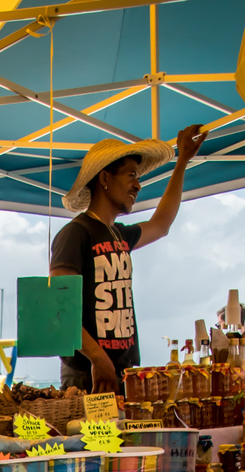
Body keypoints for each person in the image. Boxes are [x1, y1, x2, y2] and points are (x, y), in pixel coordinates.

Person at [51, 125, 207, 393]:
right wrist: (97, 357)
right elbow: (58, 306)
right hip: (87, 374)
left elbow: (161, 224)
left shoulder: (119, 234)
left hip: (122, 374)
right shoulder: (75, 233)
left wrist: (182, 162)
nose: (138, 185)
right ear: (104, 178)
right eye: (131, 175)